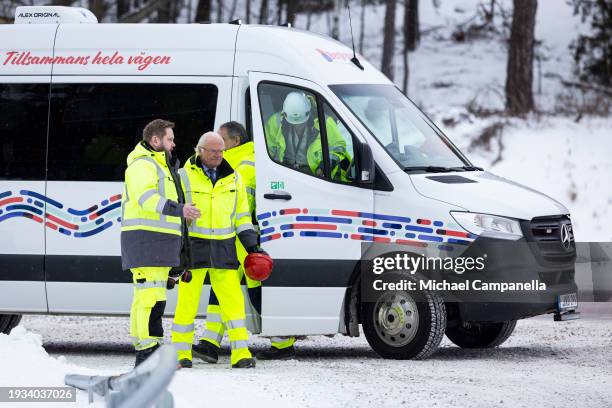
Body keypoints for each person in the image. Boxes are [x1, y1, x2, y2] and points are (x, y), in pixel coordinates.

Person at [193, 122, 296, 362]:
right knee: (224, 288)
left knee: (254, 291)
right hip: (236, 236)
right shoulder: (242, 159)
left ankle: (283, 341)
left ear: (235, 141)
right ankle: (210, 342)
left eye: (221, 140)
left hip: (241, 236)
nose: (217, 146)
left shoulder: (242, 163)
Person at [171, 131, 262, 369]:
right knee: (187, 303)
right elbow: (174, 212)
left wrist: (252, 245)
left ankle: (241, 353)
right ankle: (181, 353)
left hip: (224, 247)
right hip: (194, 248)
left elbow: (242, 216)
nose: (217, 155)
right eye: (212, 150)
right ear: (199, 150)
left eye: (221, 150)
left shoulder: (234, 179)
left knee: (233, 303)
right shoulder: (183, 176)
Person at [121, 119, 200, 367]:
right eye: (169, 139)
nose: (174, 143)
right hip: (146, 239)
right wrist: (180, 209)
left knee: (151, 296)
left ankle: (148, 349)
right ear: (155, 141)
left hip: (156, 241)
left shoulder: (158, 164)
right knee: (150, 298)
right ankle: (147, 353)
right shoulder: (142, 165)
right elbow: (146, 198)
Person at [264, 91, 351, 181]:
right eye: (294, 123)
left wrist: (324, 167)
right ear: (285, 115)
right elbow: (267, 149)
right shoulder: (275, 122)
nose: (298, 126)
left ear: (309, 113)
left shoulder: (325, 123)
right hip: (286, 174)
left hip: (316, 176)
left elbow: (338, 147)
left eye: (302, 123)